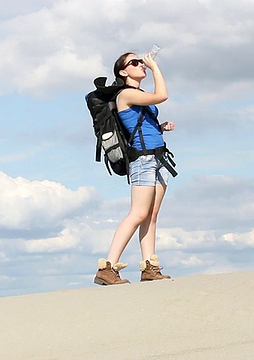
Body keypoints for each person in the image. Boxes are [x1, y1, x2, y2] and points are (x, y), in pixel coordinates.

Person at [94, 50, 175, 285]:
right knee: (138, 213)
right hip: (143, 161)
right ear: (123, 71)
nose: (141, 65)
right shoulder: (126, 94)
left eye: (142, 62)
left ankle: (150, 266)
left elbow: (140, 127)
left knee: (151, 215)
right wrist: (155, 66)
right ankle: (107, 267)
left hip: (158, 158)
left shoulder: (137, 95)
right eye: (135, 62)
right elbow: (162, 95)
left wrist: (159, 127)